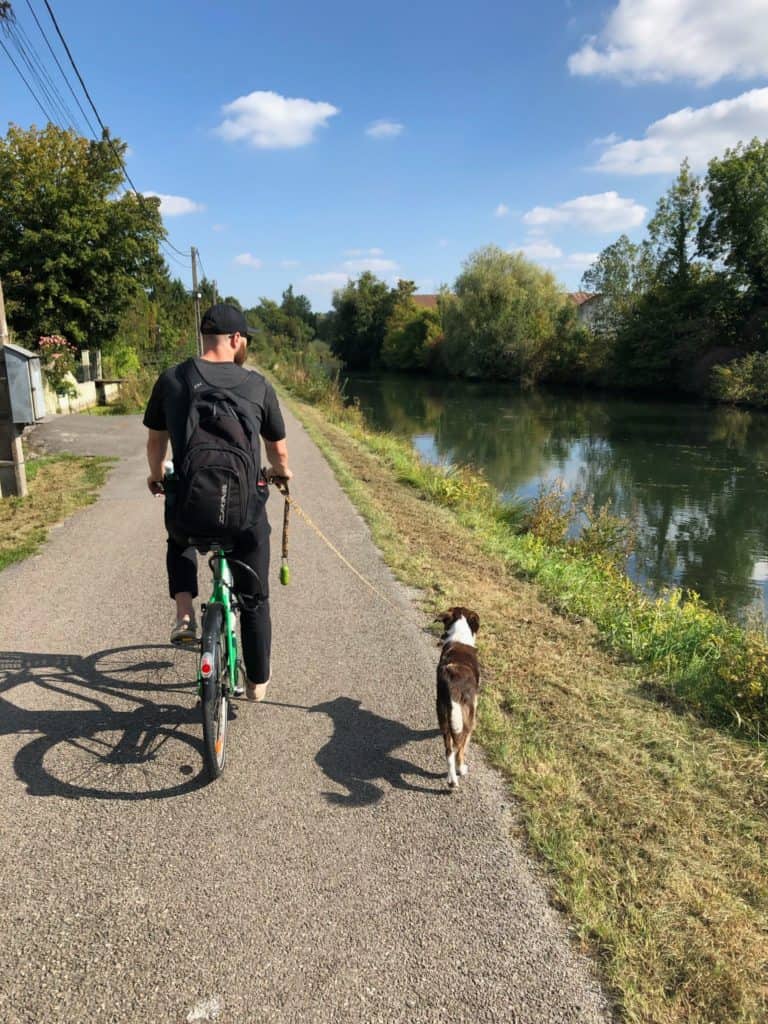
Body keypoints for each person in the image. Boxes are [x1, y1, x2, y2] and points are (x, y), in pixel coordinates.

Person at [143, 303, 291, 702]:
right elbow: (277, 450)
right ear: (237, 339)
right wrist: (281, 474)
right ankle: (258, 682)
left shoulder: (173, 379)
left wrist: (157, 478)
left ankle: (186, 613)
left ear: (205, 337)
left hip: (191, 508)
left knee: (179, 540)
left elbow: (156, 443)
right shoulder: (258, 385)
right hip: (243, 513)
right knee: (255, 596)